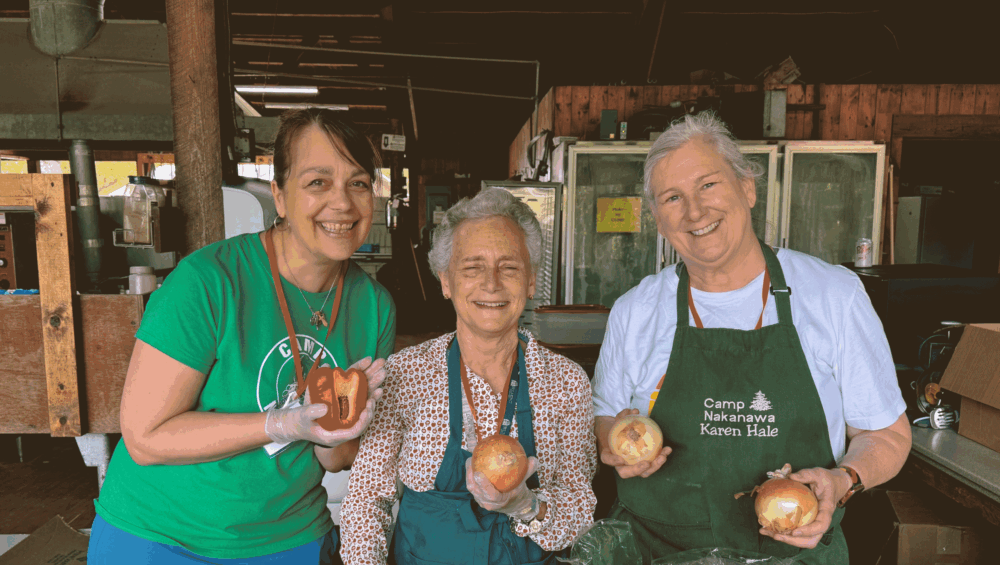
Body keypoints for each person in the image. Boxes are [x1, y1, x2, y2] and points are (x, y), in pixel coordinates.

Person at [591, 111, 911, 564]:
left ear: (747, 188)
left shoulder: (833, 296)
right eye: (672, 198)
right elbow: (606, 419)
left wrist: (844, 480)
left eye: (708, 185)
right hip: (656, 554)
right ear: (659, 221)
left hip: (791, 555)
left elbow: (887, 435)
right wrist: (616, 447)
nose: (695, 212)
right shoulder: (635, 311)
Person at [87, 109, 396, 563]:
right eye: (317, 182)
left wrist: (335, 435)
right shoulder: (208, 282)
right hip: (160, 537)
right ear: (280, 196)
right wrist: (282, 423)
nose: (343, 203)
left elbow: (334, 457)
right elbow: (145, 438)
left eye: (359, 183)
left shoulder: (373, 307)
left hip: (290, 539)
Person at [340, 188, 597, 565]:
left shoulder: (566, 382)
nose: (491, 283)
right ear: (445, 282)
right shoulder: (405, 373)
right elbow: (367, 500)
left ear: (529, 281)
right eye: (472, 267)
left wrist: (527, 506)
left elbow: (579, 514)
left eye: (509, 267)